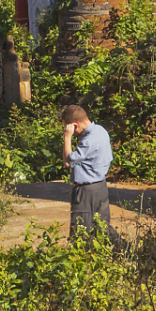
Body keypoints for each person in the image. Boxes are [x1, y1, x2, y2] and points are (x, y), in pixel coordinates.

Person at [60, 104, 116, 244]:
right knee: (102, 227)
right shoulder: (101, 131)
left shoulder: (89, 140)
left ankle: (80, 261)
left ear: (74, 125)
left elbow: (68, 162)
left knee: (80, 231)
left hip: (86, 191)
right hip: (100, 187)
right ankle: (122, 251)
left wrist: (67, 138)